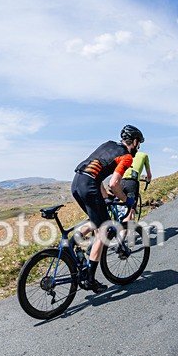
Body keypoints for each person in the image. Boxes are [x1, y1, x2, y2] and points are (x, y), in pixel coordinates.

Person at [71, 124, 142, 293]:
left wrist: (106, 197)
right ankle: (89, 278)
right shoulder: (126, 157)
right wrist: (127, 201)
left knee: (95, 220)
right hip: (89, 186)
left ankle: (71, 243)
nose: (138, 148)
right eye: (138, 145)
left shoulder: (107, 144)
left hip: (77, 182)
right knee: (103, 231)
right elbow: (114, 183)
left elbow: (96, 173)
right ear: (134, 141)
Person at [121, 147, 152, 221]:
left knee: (122, 205)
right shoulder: (144, 155)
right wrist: (148, 180)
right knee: (131, 210)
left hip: (120, 181)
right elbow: (149, 175)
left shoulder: (124, 154)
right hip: (132, 183)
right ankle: (124, 231)